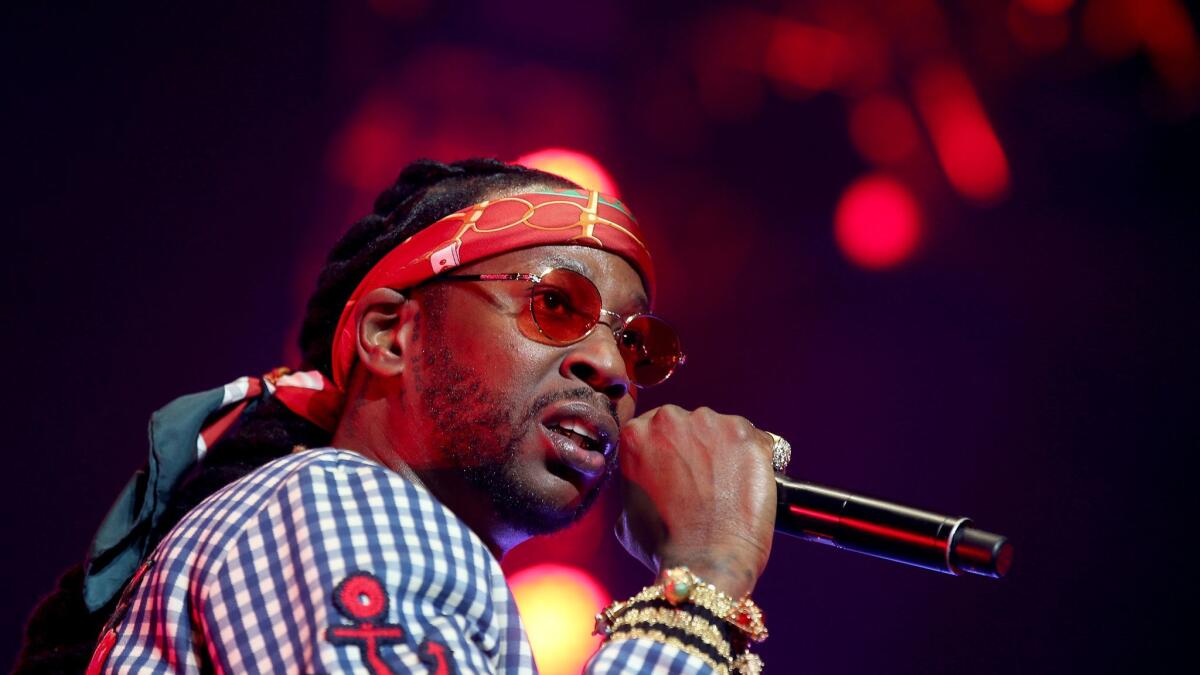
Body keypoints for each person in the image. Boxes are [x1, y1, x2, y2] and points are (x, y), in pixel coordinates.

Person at [16, 159, 784, 674]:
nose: (612, 369)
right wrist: (702, 585)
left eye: (636, 344)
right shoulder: (340, 499)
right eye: (553, 304)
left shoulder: (386, 542)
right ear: (392, 334)